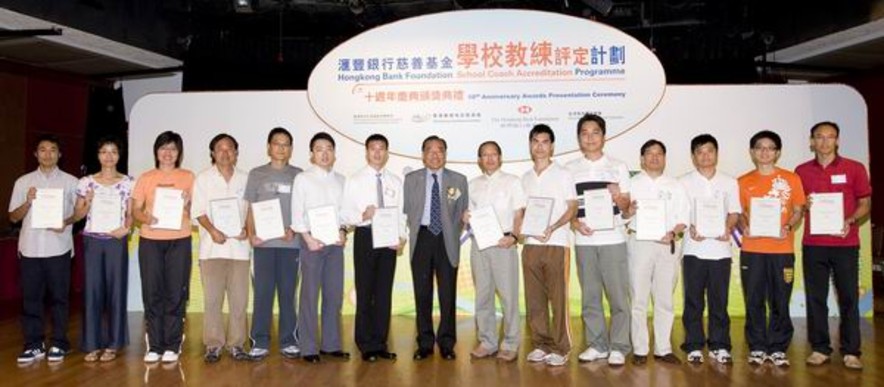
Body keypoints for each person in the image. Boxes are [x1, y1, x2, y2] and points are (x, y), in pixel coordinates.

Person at [795, 121, 871, 370]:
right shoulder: (801, 171)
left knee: (848, 297)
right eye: (819, 137)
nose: (825, 142)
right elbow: (797, 206)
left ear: (837, 141)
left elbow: (865, 203)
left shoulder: (855, 168)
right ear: (811, 141)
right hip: (814, 244)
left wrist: (851, 219)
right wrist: (804, 205)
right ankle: (819, 348)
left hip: (845, 243)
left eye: (830, 137)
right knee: (816, 298)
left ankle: (851, 351)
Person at [566, 114, 632, 366]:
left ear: (603, 136)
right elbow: (571, 208)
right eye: (585, 133)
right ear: (579, 137)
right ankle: (597, 345)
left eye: (595, 132)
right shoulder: (570, 169)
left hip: (613, 239)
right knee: (590, 297)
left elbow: (627, 209)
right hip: (585, 242)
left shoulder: (618, 166)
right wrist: (574, 224)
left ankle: (619, 346)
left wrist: (618, 197)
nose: (590, 137)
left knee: (617, 297)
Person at [738, 130, 806, 367]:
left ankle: (778, 347)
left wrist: (788, 226)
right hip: (752, 249)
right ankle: (757, 346)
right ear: (752, 152)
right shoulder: (743, 181)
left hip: (781, 250)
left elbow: (798, 210)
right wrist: (744, 226)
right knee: (754, 298)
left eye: (770, 148)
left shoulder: (791, 179)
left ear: (777, 152)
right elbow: (739, 215)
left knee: (780, 299)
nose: (764, 152)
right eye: (759, 147)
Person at [9, 134, 79, 364]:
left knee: (60, 299)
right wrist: (28, 202)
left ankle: (59, 342)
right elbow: (13, 217)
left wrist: (65, 222)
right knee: (31, 299)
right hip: (30, 248)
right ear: (35, 154)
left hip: (58, 248)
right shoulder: (23, 182)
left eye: (52, 150)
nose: (47, 154)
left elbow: (79, 214)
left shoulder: (71, 182)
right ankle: (33, 344)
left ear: (59, 154)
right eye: (42, 150)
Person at [621, 140, 688, 365]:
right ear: (641, 159)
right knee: (638, 297)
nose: (654, 157)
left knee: (664, 298)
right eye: (649, 154)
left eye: (659, 153)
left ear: (665, 158)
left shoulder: (675, 185)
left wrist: (674, 233)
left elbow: (683, 219)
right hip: (639, 242)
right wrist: (628, 210)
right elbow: (622, 215)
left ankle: (663, 348)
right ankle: (640, 349)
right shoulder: (631, 184)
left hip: (666, 245)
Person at [132, 131, 196, 363]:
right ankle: (155, 345)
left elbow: (196, 211)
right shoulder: (146, 177)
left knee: (175, 292)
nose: (168, 153)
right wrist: (146, 218)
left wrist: (189, 205)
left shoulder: (189, 177)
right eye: (163, 148)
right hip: (150, 240)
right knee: (152, 291)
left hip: (180, 239)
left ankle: (172, 344)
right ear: (156, 151)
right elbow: (135, 210)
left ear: (179, 153)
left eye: (173, 149)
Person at [403, 135, 469, 361]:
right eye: (430, 150)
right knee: (422, 293)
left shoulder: (459, 180)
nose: (435, 154)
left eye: (440, 150)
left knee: (447, 294)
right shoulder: (411, 179)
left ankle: (447, 343)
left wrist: (451, 232)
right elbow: (405, 212)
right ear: (422, 155)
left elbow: (462, 213)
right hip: (421, 238)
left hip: (446, 240)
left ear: (445, 154)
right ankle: (425, 343)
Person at [340, 134, 405, 362]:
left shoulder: (395, 181)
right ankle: (365, 343)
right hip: (366, 236)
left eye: (381, 148)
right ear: (366, 152)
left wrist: (402, 238)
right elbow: (345, 213)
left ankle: (380, 342)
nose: (377, 153)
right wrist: (362, 215)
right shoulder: (355, 180)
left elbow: (401, 214)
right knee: (365, 290)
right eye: (373, 149)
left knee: (384, 292)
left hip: (388, 240)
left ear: (387, 152)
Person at [678, 134, 741, 364]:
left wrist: (728, 226)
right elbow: (681, 214)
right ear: (693, 156)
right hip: (693, 249)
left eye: (709, 151)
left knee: (719, 300)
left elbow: (734, 212)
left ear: (716, 153)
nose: (705, 156)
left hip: (721, 250)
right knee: (693, 300)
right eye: (700, 152)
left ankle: (720, 344)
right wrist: (691, 226)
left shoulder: (730, 182)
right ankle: (694, 344)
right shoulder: (683, 182)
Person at [519, 124, 577, 367]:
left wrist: (552, 227)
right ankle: (541, 344)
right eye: (535, 141)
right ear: (530, 145)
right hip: (531, 244)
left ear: (552, 146)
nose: (540, 146)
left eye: (545, 141)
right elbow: (522, 211)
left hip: (556, 243)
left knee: (558, 297)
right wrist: (522, 230)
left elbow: (572, 207)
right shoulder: (525, 177)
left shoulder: (563, 174)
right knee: (534, 299)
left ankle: (561, 347)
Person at [463, 141, 526, 362]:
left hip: (503, 244)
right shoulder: (472, 184)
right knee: (483, 295)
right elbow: (467, 214)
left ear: (500, 157)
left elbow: (519, 213)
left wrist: (514, 237)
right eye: (484, 155)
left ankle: (510, 343)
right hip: (479, 245)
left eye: (493, 155)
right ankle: (487, 342)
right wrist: (465, 218)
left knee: (508, 296)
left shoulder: (512, 182)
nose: (489, 159)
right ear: (479, 160)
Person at [72, 136, 133, 363]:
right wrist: (86, 204)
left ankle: (114, 344)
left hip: (116, 240)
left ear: (119, 155)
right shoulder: (86, 182)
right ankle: (91, 343)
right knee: (92, 291)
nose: (109, 156)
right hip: (92, 241)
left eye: (113, 151)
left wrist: (126, 229)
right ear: (97, 155)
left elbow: (130, 215)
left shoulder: (128, 182)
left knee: (117, 291)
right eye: (104, 151)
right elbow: (78, 215)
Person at [244, 127, 303, 361]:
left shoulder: (299, 175)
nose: (281, 148)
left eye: (286, 144)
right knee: (263, 293)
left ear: (290, 149)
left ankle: (289, 340)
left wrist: (294, 229)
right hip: (263, 245)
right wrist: (251, 234)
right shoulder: (256, 174)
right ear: (269, 147)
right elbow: (249, 208)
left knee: (288, 294)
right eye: (277, 143)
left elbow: (301, 210)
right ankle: (259, 340)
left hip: (291, 245)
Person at [191, 134, 250, 362]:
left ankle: (236, 344)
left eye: (230, 149)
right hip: (211, 249)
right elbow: (198, 211)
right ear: (213, 153)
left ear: (236, 153)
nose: (225, 153)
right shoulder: (203, 179)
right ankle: (213, 345)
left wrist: (247, 228)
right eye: (220, 149)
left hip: (240, 250)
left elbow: (251, 210)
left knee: (239, 300)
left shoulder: (246, 179)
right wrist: (213, 230)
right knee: (212, 300)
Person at [291, 132, 349, 363]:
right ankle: (308, 347)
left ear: (334, 153)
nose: (324, 153)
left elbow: (345, 214)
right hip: (311, 244)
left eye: (328, 149)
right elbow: (296, 213)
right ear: (312, 154)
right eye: (318, 149)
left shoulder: (342, 180)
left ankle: (331, 344)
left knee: (334, 295)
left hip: (335, 245)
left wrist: (343, 232)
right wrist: (307, 238)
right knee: (309, 295)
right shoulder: (303, 179)